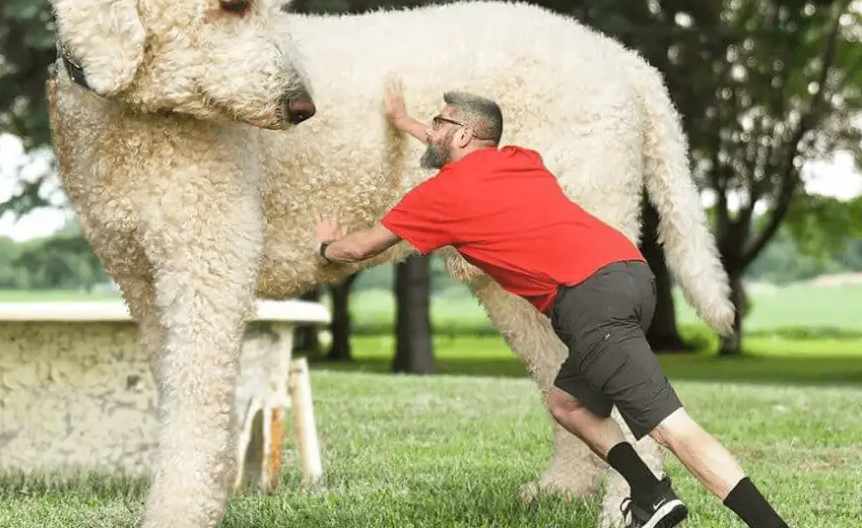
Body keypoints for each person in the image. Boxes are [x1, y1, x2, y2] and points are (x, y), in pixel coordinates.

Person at [311, 84, 791, 528]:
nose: (429, 129)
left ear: (460, 133)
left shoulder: (438, 197)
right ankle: (652, 494)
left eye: (438, 123)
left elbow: (360, 248)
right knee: (567, 403)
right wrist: (405, 122)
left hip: (590, 302)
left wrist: (326, 247)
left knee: (672, 429)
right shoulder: (521, 158)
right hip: (629, 273)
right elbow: (456, 147)